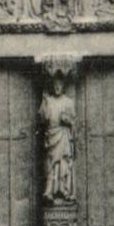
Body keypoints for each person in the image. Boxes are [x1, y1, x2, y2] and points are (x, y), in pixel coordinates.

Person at [40, 74, 75, 202]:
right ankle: (49, 191)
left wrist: (67, 120)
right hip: (52, 135)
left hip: (63, 134)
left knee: (64, 162)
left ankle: (64, 190)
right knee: (51, 163)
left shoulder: (68, 102)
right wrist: (44, 103)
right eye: (55, 85)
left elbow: (73, 121)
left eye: (59, 85)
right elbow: (43, 119)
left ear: (63, 86)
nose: (57, 87)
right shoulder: (49, 100)